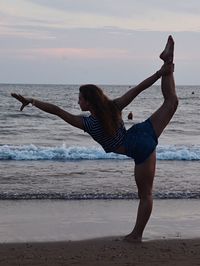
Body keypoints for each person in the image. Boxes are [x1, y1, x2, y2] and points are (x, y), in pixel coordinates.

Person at [11, 35, 178, 242]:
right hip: (140, 133)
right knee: (171, 102)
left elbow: (56, 111)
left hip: (139, 149)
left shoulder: (87, 123)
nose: (77, 101)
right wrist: (160, 72)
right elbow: (139, 88)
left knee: (146, 195)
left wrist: (32, 100)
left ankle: (136, 235)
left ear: (88, 102)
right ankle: (167, 61)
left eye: (80, 98)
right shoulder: (114, 107)